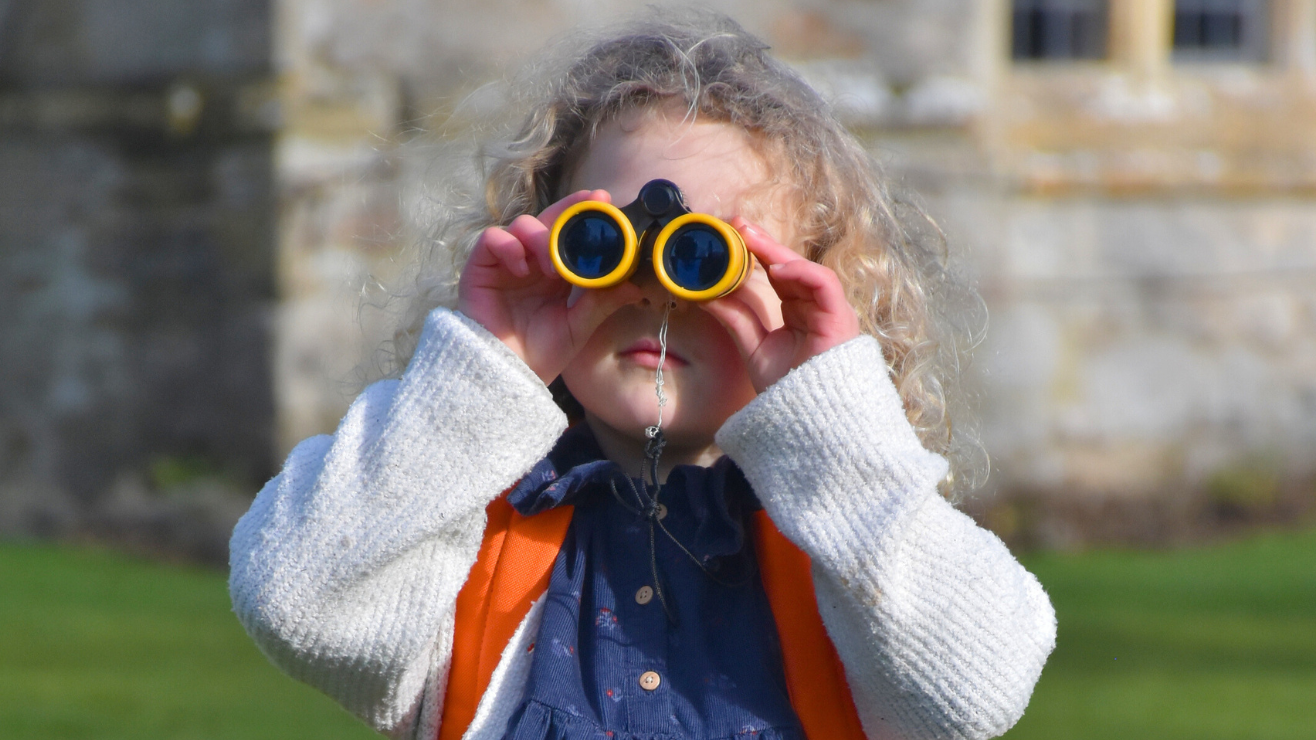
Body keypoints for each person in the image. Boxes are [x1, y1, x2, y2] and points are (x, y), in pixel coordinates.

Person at [229, 10, 1056, 740]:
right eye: (604, 248)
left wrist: (831, 416)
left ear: (810, 286)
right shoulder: (457, 540)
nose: (658, 292)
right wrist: (487, 367)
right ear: (546, 237)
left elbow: (977, 689)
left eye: (709, 260)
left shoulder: (845, 551)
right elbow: (296, 598)